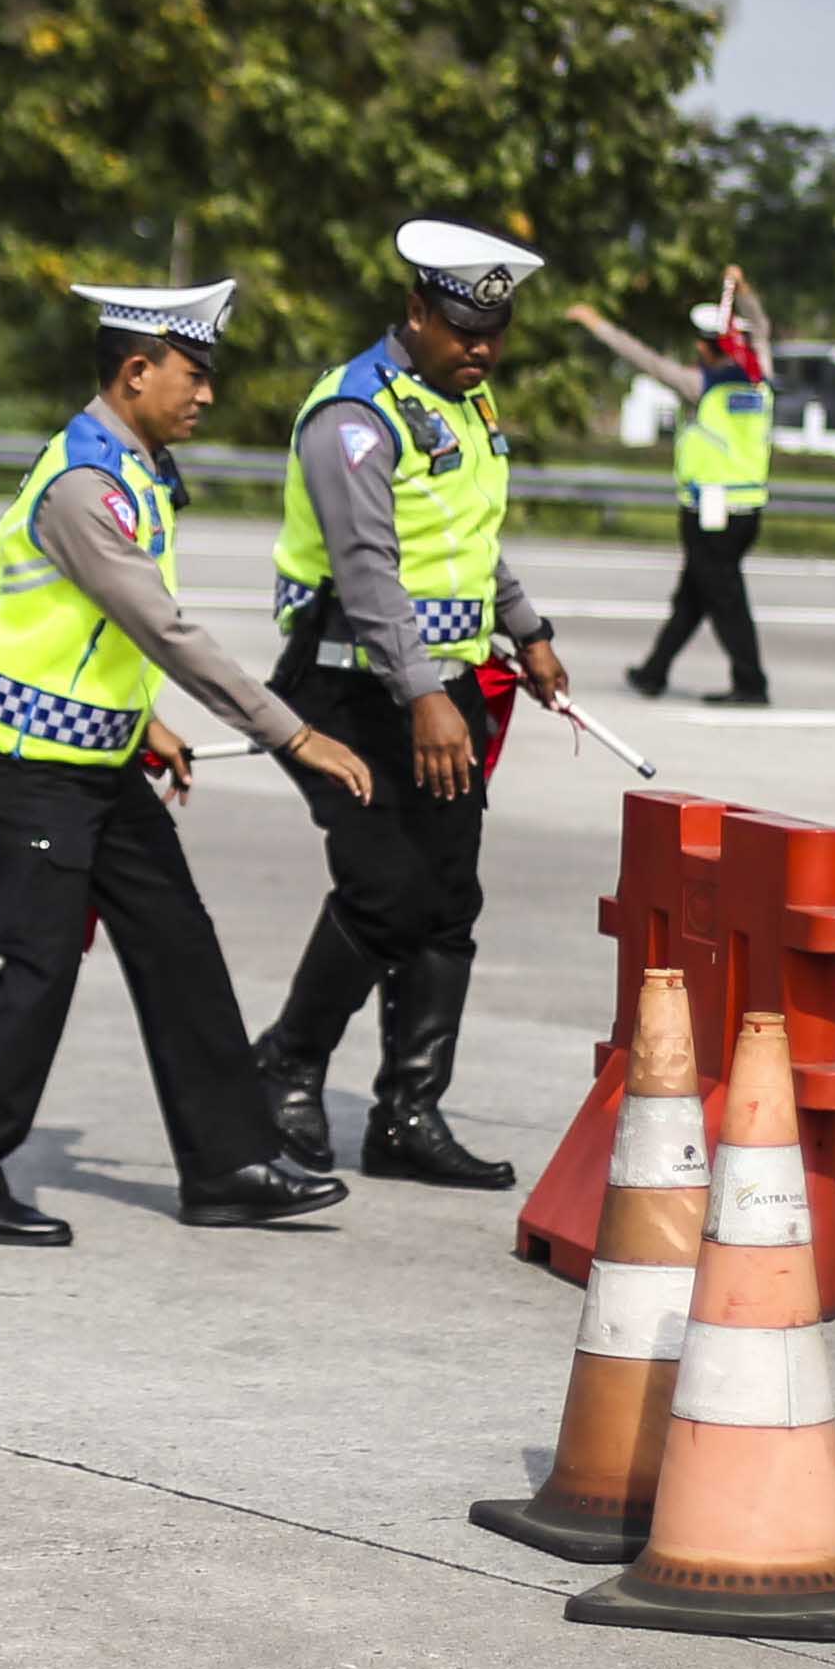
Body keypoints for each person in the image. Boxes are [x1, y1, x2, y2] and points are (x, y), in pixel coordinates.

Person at [0, 279, 379, 1246]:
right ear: (135, 372)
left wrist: (146, 720)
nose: (207, 393)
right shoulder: (86, 487)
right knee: (38, 971)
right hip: (33, 769)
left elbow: (97, 633)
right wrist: (292, 733)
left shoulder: (136, 466)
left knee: (179, 945)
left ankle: (228, 1166)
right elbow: (163, 628)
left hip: (99, 760)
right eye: (192, 374)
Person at [248, 219, 569, 1190]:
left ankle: (408, 1112)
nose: (482, 348)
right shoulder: (353, 414)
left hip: (443, 687)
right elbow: (366, 570)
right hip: (348, 688)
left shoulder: (463, 404)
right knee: (386, 888)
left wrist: (527, 628)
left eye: (495, 331)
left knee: (447, 898)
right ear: (417, 310)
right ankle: (284, 1067)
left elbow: (467, 540)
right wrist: (424, 692)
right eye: (465, 329)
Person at [610, 268, 775, 706]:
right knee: (693, 596)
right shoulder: (759, 380)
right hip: (747, 509)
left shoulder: (701, 386)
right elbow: (761, 329)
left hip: (710, 512)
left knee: (724, 600)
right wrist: (744, 292)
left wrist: (598, 326)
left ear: (705, 346)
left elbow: (646, 361)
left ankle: (751, 683)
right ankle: (653, 672)